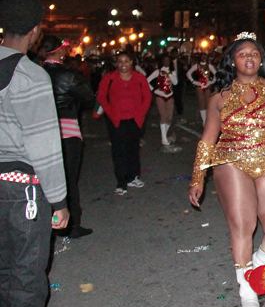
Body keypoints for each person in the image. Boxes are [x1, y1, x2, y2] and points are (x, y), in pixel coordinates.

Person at [188, 32, 265, 307]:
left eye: (254, 53)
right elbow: (207, 140)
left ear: (261, 59)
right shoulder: (219, 98)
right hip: (230, 160)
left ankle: (258, 263)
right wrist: (197, 178)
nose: (249, 57)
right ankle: (245, 284)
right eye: (242, 54)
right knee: (243, 225)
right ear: (232, 61)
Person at [0, 0, 69, 307]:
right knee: (26, 274)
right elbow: (44, 146)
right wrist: (58, 200)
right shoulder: (29, 75)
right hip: (20, 188)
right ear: (35, 31)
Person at [40, 35, 94, 238]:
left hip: (43, 131)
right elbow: (88, 98)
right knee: (69, 179)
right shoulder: (69, 75)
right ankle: (71, 225)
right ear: (60, 50)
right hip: (68, 131)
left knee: (46, 179)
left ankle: (49, 222)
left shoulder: (36, 72)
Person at [96, 51, 152, 196]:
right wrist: (110, 112)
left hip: (135, 120)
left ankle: (133, 177)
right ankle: (121, 181)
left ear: (131, 63)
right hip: (116, 120)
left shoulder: (139, 78)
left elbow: (147, 97)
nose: (123, 65)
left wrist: (140, 114)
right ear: (116, 63)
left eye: (126, 61)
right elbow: (101, 96)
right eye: (120, 61)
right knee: (119, 151)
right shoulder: (110, 78)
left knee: (133, 149)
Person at [147, 54, 180, 150]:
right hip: (160, 95)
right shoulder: (157, 72)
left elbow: (175, 83)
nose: (166, 62)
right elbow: (146, 80)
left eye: (168, 61)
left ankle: (164, 135)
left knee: (169, 118)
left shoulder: (172, 72)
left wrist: (169, 73)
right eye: (164, 60)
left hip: (170, 95)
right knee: (163, 116)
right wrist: (154, 90)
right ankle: (164, 138)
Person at [186, 53, 216, 126]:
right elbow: (188, 73)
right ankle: (204, 121)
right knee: (201, 103)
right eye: (202, 56)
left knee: (208, 103)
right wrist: (194, 82)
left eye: (205, 56)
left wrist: (211, 82)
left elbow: (216, 74)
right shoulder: (196, 66)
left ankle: (208, 120)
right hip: (199, 86)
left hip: (207, 86)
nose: (204, 58)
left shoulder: (209, 66)